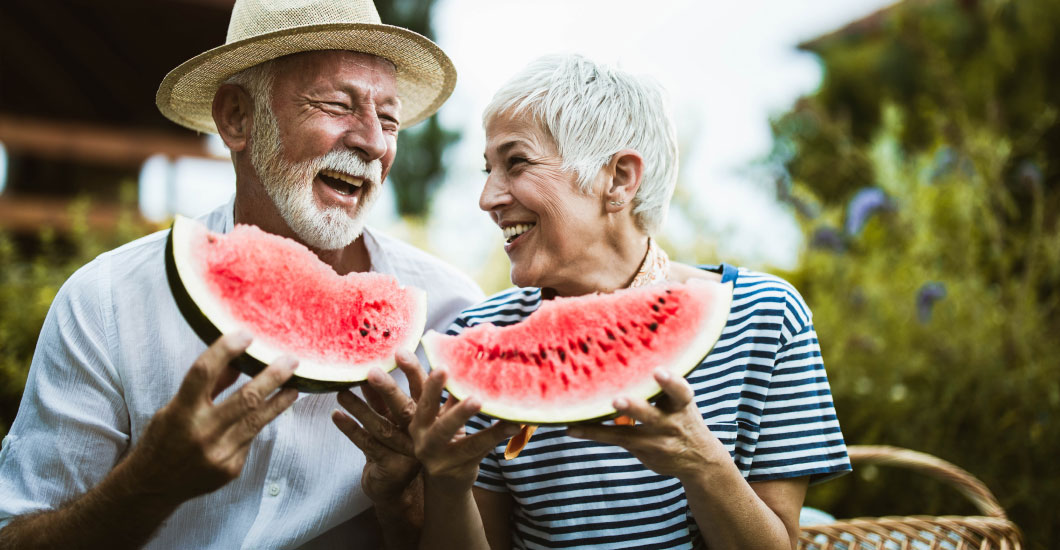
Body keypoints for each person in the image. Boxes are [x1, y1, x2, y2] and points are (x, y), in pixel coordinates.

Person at [0, 0, 481, 548]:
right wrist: (146, 486)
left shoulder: (449, 315)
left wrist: (408, 508)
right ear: (236, 118)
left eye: (389, 118)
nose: (373, 141)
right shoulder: (106, 302)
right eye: (337, 105)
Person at [362, 54, 852, 550]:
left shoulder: (765, 317)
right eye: (488, 170)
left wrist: (702, 463)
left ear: (618, 178)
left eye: (517, 162)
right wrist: (447, 482)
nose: (488, 198)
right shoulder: (480, 338)